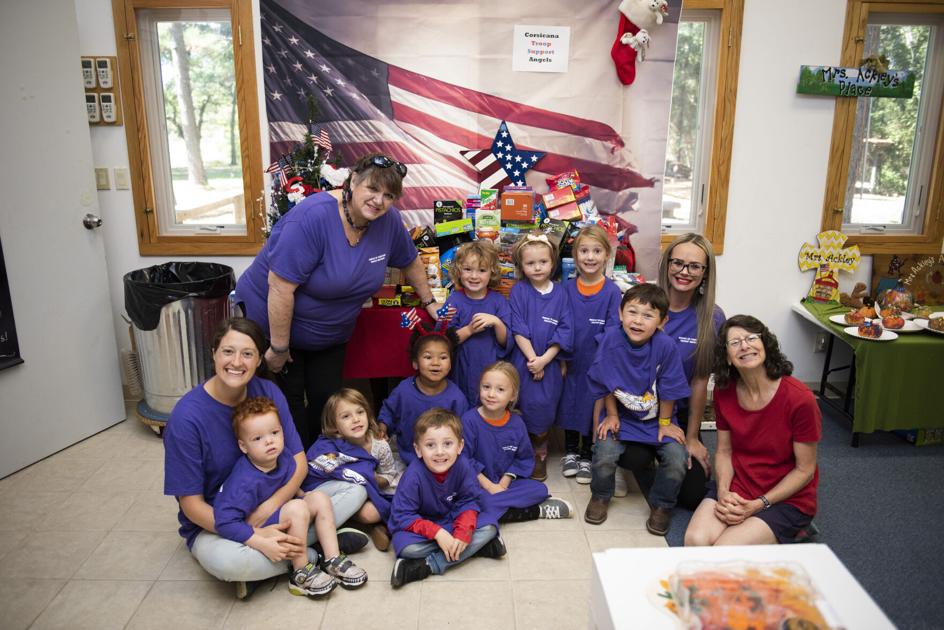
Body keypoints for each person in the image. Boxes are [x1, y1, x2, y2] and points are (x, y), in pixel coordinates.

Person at [235, 154, 440, 448]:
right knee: (286, 406)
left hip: (331, 330)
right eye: (372, 189)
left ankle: (321, 467)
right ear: (352, 181)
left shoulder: (388, 221)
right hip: (276, 323)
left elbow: (410, 260)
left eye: (388, 195)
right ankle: (294, 474)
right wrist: (278, 348)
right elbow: (280, 289)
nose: (379, 201)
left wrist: (429, 300)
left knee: (327, 403)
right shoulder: (311, 218)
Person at [163, 318, 365, 599]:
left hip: (280, 505)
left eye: (247, 353)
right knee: (231, 563)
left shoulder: (267, 391)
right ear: (213, 353)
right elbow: (192, 507)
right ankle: (316, 548)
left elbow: (298, 463)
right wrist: (253, 535)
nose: (237, 362)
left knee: (354, 489)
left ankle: (302, 553)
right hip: (219, 524)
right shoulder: (186, 418)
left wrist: (270, 506)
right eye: (228, 351)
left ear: (259, 359)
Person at [684, 315, 821, 546]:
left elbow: (804, 470)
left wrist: (759, 504)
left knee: (724, 551)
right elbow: (724, 452)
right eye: (734, 343)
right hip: (739, 483)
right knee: (695, 541)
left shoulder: (800, 399)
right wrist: (724, 493)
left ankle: (798, 529)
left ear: (765, 345)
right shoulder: (723, 390)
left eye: (751, 338)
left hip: (783, 497)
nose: (744, 345)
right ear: (727, 357)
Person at [213, 397, 364, 597]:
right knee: (297, 508)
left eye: (274, 433)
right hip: (259, 529)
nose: (269, 441)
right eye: (257, 438)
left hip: (284, 514)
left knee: (318, 497)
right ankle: (300, 572)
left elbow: (287, 485)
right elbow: (223, 522)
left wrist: (304, 495)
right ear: (243, 446)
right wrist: (257, 538)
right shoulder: (243, 482)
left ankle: (332, 558)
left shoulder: (282, 456)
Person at [621, 233, 726, 509]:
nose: (684, 271)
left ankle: (669, 453)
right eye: (677, 263)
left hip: (677, 417)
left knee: (692, 496)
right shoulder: (643, 306)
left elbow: (700, 381)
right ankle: (648, 456)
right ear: (667, 264)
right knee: (633, 458)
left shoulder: (711, 318)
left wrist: (692, 437)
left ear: (705, 273)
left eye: (694, 266)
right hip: (637, 411)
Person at [583, 284, 691, 535]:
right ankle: (600, 495)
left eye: (648, 315)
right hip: (620, 415)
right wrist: (610, 414)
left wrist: (665, 423)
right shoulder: (610, 340)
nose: (638, 321)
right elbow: (604, 382)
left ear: (662, 321)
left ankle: (662, 505)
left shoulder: (665, 346)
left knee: (677, 458)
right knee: (604, 452)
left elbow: (670, 388)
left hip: (658, 419)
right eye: (632, 312)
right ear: (620, 313)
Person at [388, 408, 504, 588]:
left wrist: (463, 532)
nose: (440, 452)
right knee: (407, 549)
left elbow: (469, 501)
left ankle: (428, 566)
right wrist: (438, 533)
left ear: (460, 446)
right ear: (418, 450)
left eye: (447, 444)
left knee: (489, 527)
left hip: (453, 519)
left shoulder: (464, 466)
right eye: (430, 445)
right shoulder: (413, 476)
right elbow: (402, 516)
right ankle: (477, 548)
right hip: (423, 526)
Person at [462, 361, 573, 522]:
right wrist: (489, 487)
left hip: (504, 484)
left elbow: (523, 458)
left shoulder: (516, 423)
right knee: (473, 499)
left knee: (539, 489)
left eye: (500, 389)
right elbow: (464, 460)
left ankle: (492, 511)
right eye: (486, 387)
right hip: (477, 483)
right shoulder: (469, 421)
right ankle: (533, 512)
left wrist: (503, 485)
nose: (491, 394)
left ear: (512, 396)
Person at [558, 225, 622, 484]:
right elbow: (560, 324)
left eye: (596, 251)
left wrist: (601, 358)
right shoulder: (566, 289)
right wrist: (561, 356)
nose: (590, 257)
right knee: (569, 403)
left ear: (606, 255)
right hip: (571, 358)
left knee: (591, 404)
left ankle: (588, 453)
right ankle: (571, 451)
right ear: (575, 256)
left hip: (597, 360)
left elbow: (612, 330)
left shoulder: (611, 291)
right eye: (584, 251)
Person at [509, 231, 573, 481]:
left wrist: (545, 360)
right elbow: (518, 327)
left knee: (544, 408)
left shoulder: (561, 293)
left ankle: (540, 453)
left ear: (553, 262)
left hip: (551, 362)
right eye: (530, 263)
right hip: (523, 360)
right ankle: (520, 453)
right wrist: (533, 360)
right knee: (520, 405)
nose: (537, 267)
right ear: (521, 266)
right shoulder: (519, 291)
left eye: (543, 262)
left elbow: (565, 329)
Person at [303, 388, 396, 551]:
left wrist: (372, 479)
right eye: (346, 416)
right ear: (334, 426)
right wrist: (355, 477)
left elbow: (389, 473)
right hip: (326, 493)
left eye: (360, 412)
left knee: (372, 513)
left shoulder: (379, 446)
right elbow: (314, 471)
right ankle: (319, 536)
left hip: (358, 494)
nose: (355, 419)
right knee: (358, 490)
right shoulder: (328, 445)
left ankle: (343, 527)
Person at [377, 324, 468, 466]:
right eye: (428, 357)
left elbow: (464, 430)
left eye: (443, 357)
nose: (436, 363)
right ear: (415, 363)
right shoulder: (404, 390)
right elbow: (388, 411)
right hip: (408, 457)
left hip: (443, 460)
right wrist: (382, 428)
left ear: (450, 364)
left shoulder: (456, 397)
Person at [443, 240, 512, 404]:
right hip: (462, 369)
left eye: (481, 270)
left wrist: (497, 322)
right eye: (468, 269)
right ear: (459, 271)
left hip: (490, 368)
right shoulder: (454, 301)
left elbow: (506, 341)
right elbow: (444, 340)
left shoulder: (498, 301)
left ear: (492, 272)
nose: (474, 276)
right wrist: (469, 330)